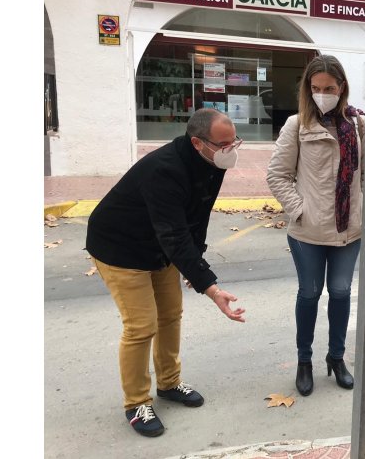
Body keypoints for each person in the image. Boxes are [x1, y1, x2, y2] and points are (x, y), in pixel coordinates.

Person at [86, 108, 246, 437]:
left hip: (157, 244)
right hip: (119, 246)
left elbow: (197, 216)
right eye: (223, 144)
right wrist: (211, 288)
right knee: (141, 326)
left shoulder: (213, 161)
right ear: (197, 143)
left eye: (234, 143)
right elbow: (173, 234)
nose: (231, 151)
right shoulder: (165, 170)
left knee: (171, 314)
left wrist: (195, 261)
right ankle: (136, 403)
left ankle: (169, 383)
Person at [267, 55, 365, 397]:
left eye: (330, 88)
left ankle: (335, 357)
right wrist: (299, 210)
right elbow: (277, 176)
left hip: (348, 230)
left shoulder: (357, 126)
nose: (323, 94)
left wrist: (361, 208)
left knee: (340, 293)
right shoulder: (296, 125)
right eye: (316, 88)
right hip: (307, 231)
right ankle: (304, 360)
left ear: (342, 89)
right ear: (308, 90)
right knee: (309, 294)